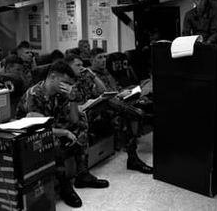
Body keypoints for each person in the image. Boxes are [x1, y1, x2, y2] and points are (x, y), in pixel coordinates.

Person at [16, 60, 109, 208]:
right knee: (54, 140)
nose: (68, 86)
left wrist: (72, 98)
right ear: (53, 77)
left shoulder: (60, 93)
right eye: (65, 82)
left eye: (69, 83)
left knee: (82, 123)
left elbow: (74, 119)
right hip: (30, 135)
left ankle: (82, 174)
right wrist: (64, 132)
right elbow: (37, 129)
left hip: (51, 126)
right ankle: (65, 185)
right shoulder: (34, 95)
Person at [89, 48, 153, 174]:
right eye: (99, 57)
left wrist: (123, 92)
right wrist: (118, 95)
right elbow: (99, 94)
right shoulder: (89, 75)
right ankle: (133, 158)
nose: (103, 60)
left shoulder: (107, 71)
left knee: (145, 98)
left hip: (118, 100)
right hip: (103, 106)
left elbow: (116, 87)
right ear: (91, 59)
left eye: (104, 57)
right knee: (130, 114)